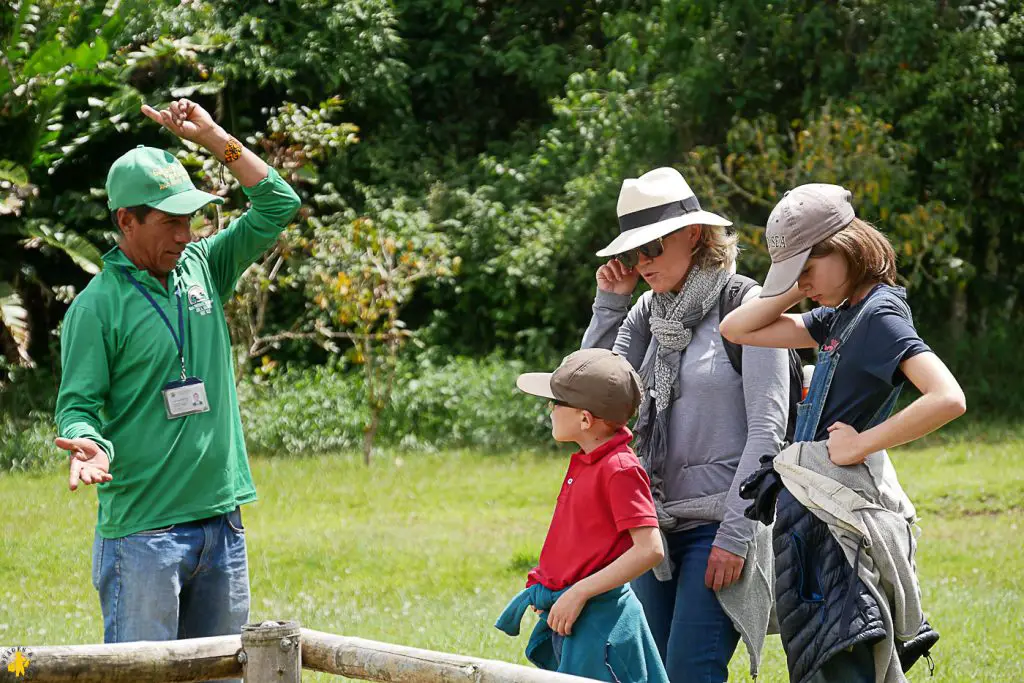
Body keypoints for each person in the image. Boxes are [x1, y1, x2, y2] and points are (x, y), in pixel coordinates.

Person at [53, 98, 301, 646]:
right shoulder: (97, 308)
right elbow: (76, 406)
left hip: (223, 521)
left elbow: (278, 203)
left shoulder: (204, 265)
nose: (185, 234)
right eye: (169, 222)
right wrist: (88, 443)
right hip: (144, 535)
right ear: (126, 220)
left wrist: (212, 135)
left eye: (190, 218)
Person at [719, 183, 966, 682]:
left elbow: (948, 397)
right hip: (814, 519)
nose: (805, 285)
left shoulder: (879, 315)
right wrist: (797, 279)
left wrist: (861, 443)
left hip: (839, 523)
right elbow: (737, 328)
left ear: (847, 247)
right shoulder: (840, 314)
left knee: (841, 657)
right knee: (822, 660)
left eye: (809, 270)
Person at [582, 167, 789, 682]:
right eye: (631, 253)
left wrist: (737, 534)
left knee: (690, 671)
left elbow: (768, 431)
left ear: (693, 235)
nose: (641, 263)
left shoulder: (747, 306)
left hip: (720, 523)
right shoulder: (645, 314)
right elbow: (589, 398)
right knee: (650, 675)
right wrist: (610, 306)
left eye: (650, 248)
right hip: (651, 527)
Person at [495, 348, 668, 683]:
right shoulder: (589, 460)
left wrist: (579, 592)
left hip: (600, 624)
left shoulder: (619, 468)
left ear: (585, 419)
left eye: (557, 402)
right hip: (576, 616)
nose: (549, 408)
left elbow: (650, 549)